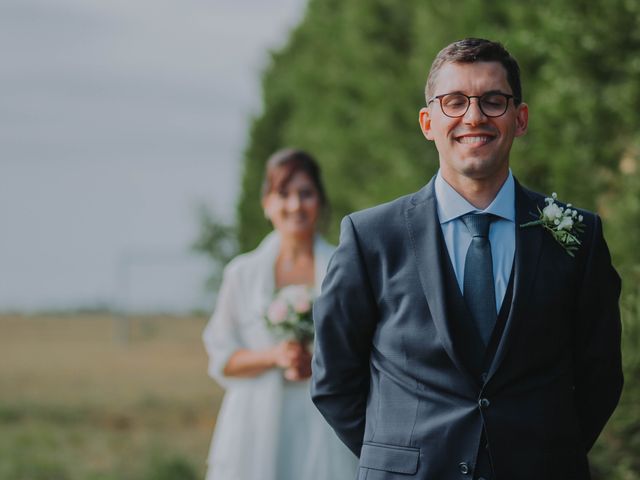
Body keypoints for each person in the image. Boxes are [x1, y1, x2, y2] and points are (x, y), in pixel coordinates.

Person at [311, 38, 623, 480]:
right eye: (454, 102)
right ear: (427, 122)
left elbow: (601, 376)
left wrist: (546, 453)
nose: (473, 117)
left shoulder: (580, 236)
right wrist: (400, 454)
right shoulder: (370, 237)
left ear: (521, 119)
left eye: (493, 101)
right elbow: (333, 379)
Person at [202, 148, 357, 480]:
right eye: (283, 194)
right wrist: (275, 357)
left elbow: (362, 351)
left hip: (323, 424)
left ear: (320, 201)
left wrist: (315, 361)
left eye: (306, 194)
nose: (295, 205)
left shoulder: (344, 267)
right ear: (266, 203)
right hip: (254, 425)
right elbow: (222, 359)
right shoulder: (241, 274)